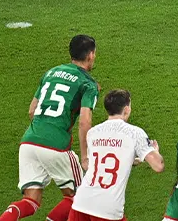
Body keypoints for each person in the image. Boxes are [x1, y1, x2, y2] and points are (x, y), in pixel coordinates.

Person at [0, 35, 102, 221]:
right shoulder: (88, 84)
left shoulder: (51, 72)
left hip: (29, 142)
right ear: (91, 55)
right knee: (81, 197)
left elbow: (32, 110)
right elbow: (85, 122)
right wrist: (85, 157)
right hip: (56, 145)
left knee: (30, 201)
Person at [69, 89, 164, 221]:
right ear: (126, 109)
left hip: (81, 202)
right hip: (107, 208)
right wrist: (155, 151)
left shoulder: (93, 133)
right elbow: (158, 166)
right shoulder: (134, 133)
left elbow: (103, 160)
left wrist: (133, 160)